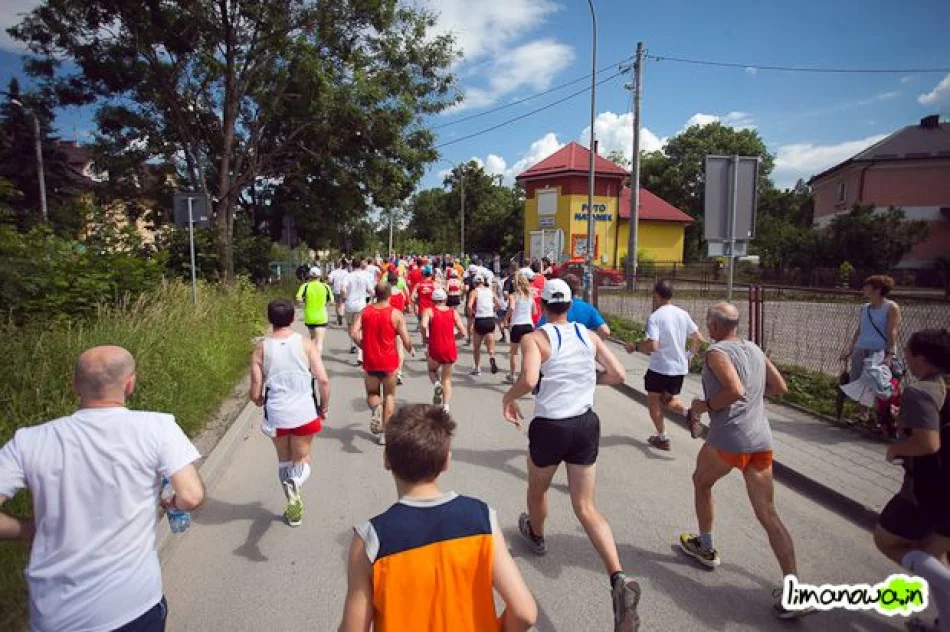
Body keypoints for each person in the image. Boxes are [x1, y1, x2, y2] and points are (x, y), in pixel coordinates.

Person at [0, 346, 205, 632]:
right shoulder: (157, 427)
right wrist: (173, 505)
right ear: (130, 383)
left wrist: (26, 529)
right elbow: (192, 495)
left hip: (54, 616)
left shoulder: (29, 441)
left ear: (75, 385)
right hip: (132, 606)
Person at [501, 278, 642, 632]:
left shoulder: (537, 338)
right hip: (585, 424)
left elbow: (530, 380)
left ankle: (536, 534)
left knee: (538, 489)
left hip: (551, 426)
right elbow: (620, 374)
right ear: (571, 303)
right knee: (586, 507)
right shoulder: (588, 334)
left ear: (543, 305)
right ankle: (618, 578)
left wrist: (508, 398)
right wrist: (585, 381)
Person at [339, 404, 537, 632]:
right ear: (446, 461)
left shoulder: (370, 539)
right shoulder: (481, 518)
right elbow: (525, 612)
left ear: (386, 460)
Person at [678, 303, 810, 619]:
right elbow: (779, 387)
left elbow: (734, 390)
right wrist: (753, 396)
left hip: (729, 438)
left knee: (701, 482)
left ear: (714, 324)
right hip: (761, 439)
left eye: (708, 320)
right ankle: (795, 589)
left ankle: (706, 545)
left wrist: (704, 405)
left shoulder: (715, 352)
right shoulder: (754, 348)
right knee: (767, 512)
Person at [873, 329, 950, 632]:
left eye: (907, 352)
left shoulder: (919, 392)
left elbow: (928, 444)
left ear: (921, 358)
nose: (904, 355)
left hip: (930, 491)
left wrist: (896, 449)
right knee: (934, 553)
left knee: (886, 539)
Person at [250, 299, 331, 527]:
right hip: (304, 411)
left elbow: (256, 392)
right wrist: (323, 406)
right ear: (293, 318)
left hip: (276, 414)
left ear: (269, 319)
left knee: (284, 460)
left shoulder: (260, 349)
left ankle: (293, 507)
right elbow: (323, 380)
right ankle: (296, 484)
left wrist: (259, 400)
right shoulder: (306, 345)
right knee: (302, 459)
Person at [624, 280, 703, 451]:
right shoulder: (683, 314)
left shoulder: (655, 317)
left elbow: (653, 346)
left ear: (656, 296)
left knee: (654, 402)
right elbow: (698, 337)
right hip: (679, 368)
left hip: (660, 368)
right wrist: (689, 356)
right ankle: (688, 413)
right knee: (668, 400)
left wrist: (635, 347)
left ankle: (663, 437)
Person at [350, 282, 415, 445]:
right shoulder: (396, 314)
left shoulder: (366, 311)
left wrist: (362, 345)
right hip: (389, 361)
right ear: (389, 295)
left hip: (370, 360)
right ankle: (385, 434)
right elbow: (405, 339)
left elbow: (353, 332)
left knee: (372, 394)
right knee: (390, 395)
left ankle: (376, 407)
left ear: (374, 294)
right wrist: (410, 349)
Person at [840, 275, 903, 422]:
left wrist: (890, 353)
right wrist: (850, 349)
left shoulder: (891, 307)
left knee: (877, 384)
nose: (864, 288)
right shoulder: (865, 308)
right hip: (861, 348)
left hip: (879, 351)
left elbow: (892, 331)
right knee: (859, 382)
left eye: (867, 286)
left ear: (877, 289)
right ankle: (863, 414)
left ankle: (881, 417)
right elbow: (860, 329)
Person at [421, 288, 467, 413]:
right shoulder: (453, 312)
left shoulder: (429, 311)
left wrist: (424, 337)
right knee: (446, 379)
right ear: (445, 299)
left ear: (432, 300)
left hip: (435, 347)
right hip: (449, 347)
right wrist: (454, 338)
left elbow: (424, 325)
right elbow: (464, 332)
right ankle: (446, 405)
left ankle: (436, 384)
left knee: (432, 370)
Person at [538, 273, 610, 339]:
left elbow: (540, 332)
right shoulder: (588, 309)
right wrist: (591, 343)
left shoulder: (554, 308)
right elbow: (605, 331)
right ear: (578, 290)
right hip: (581, 351)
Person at [503, 270, 538, 384]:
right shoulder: (529, 296)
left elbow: (512, 308)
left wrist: (505, 319)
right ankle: (523, 375)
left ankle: (512, 375)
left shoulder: (513, 295)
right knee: (526, 353)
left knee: (514, 352)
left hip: (517, 325)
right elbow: (534, 311)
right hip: (528, 325)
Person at [295, 267, 334, 354]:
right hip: (321, 316)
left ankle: (311, 359)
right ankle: (316, 361)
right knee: (319, 342)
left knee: (313, 339)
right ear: (320, 276)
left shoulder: (305, 286)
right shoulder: (325, 287)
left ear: (309, 275)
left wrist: (304, 303)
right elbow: (331, 301)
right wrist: (325, 303)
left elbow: (298, 298)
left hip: (309, 316)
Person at [468, 275, 501, 376]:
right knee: (490, 346)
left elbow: (469, 305)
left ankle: (477, 368)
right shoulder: (490, 291)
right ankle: (491, 357)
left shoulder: (474, 292)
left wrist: (471, 315)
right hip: (490, 319)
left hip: (480, 319)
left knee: (476, 347)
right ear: (483, 282)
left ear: (474, 283)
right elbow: (499, 303)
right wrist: (493, 310)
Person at [344, 260, 376, 363]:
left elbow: (343, 288)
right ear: (361, 266)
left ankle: (353, 344)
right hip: (361, 305)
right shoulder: (365, 276)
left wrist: (344, 296)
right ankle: (360, 354)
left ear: (351, 265)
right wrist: (372, 300)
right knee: (360, 328)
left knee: (350, 326)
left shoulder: (348, 276)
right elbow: (371, 291)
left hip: (349, 305)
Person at [386, 271, 410, 385]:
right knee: (399, 349)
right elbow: (407, 305)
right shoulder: (401, 293)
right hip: (399, 322)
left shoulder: (385, 293)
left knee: (387, 347)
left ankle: (388, 370)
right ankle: (399, 372)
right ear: (396, 282)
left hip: (386, 322)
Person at [413, 266, 436, 346]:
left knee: (423, 325)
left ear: (422, 274)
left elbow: (412, 297)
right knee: (432, 326)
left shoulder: (418, 285)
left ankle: (424, 339)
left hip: (422, 309)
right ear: (431, 274)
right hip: (433, 310)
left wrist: (417, 301)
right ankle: (431, 340)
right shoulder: (435, 284)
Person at [329, 261, 349, 327]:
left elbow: (330, 280)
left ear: (335, 265)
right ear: (341, 265)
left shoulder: (333, 272)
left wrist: (331, 283)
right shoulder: (346, 272)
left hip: (336, 290)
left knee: (337, 304)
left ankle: (338, 317)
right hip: (344, 290)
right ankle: (341, 314)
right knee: (342, 303)